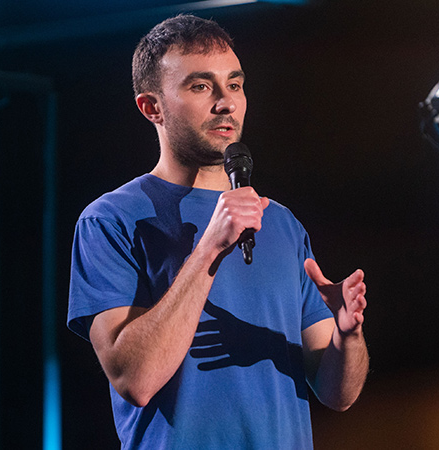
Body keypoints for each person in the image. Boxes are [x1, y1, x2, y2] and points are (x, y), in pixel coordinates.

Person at [68, 14, 369, 449]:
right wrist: (210, 247)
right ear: (152, 107)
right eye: (200, 86)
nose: (225, 103)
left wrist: (347, 333)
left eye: (234, 84)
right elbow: (135, 378)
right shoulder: (109, 221)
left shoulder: (281, 223)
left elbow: (337, 394)